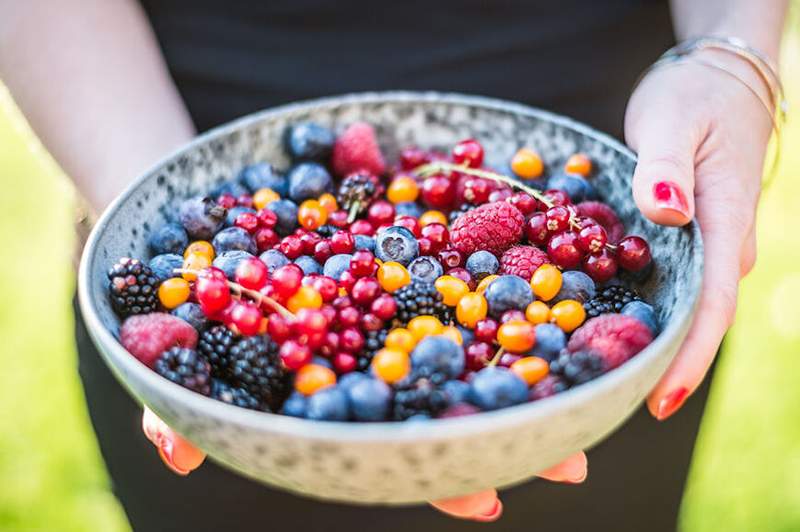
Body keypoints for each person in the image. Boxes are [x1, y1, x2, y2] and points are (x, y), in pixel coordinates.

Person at [0, 0, 787, 529]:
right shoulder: (232, 277)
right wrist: (145, 183)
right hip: (150, 125)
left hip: (601, 156)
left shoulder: (557, 276)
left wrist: (727, 60)